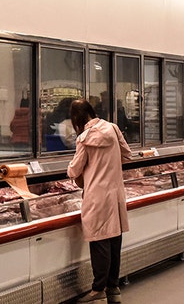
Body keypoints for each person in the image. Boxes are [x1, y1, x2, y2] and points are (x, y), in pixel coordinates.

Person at [66, 99, 133, 303]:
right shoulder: (112, 128)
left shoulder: (85, 138)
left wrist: (91, 169)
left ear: (77, 118)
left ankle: (98, 291)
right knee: (114, 241)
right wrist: (109, 165)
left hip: (96, 196)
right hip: (115, 194)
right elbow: (127, 154)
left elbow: (74, 170)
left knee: (99, 243)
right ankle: (113, 288)